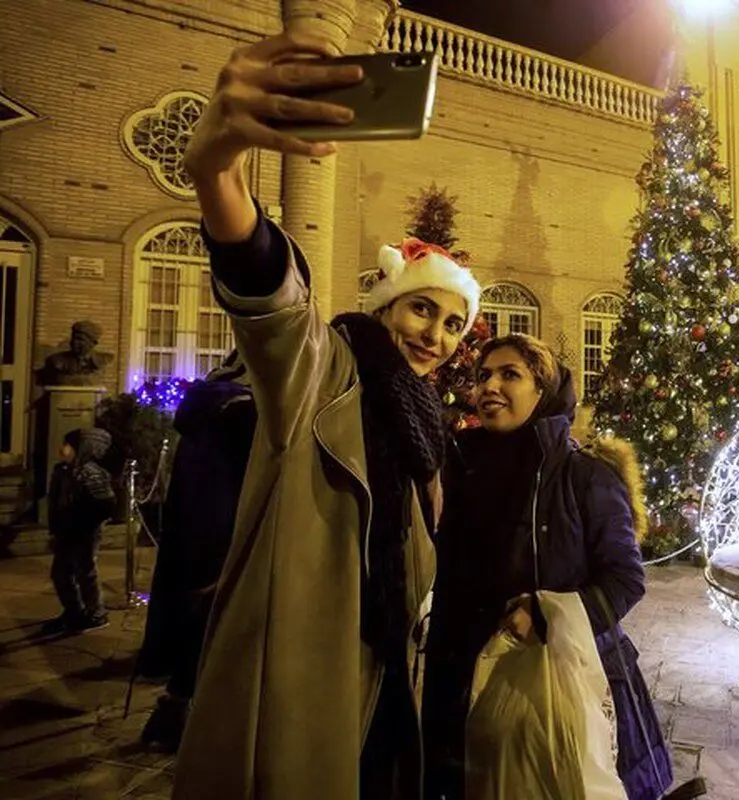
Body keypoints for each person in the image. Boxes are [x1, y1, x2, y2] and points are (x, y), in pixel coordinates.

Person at [173, 31, 481, 800]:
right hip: (304, 677)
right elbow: (272, 304)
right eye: (421, 310)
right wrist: (217, 172)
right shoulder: (328, 370)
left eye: (453, 325)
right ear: (386, 306)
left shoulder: (425, 421)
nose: (436, 337)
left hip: (387, 675)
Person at [422, 334, 672, 800]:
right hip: (467, 673)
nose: (489, 386)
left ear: (543, 390)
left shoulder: (585, 474)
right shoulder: (461, 466)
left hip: (562, 679)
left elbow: (624, 578)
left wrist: (546, 614)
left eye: (510, 374)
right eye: (483, 375)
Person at [136, 354, 255, 753]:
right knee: (214, 635)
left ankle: (173, 713)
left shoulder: (208, 402)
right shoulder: (244, 413)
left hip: (194, 537)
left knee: (194, 630)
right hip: (225, 539)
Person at [42, 428, 115, 635]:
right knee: (61, 573)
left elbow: (104, 505)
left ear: (82, 449)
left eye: (69, 445)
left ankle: (96, 613)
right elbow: (55, 500)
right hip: (67, 531)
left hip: (84, 532)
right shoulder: (62, 470)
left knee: (85, 572)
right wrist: (56, 527)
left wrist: (82, 522)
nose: (63, 449)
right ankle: (74, 612)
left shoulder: (91, 473)